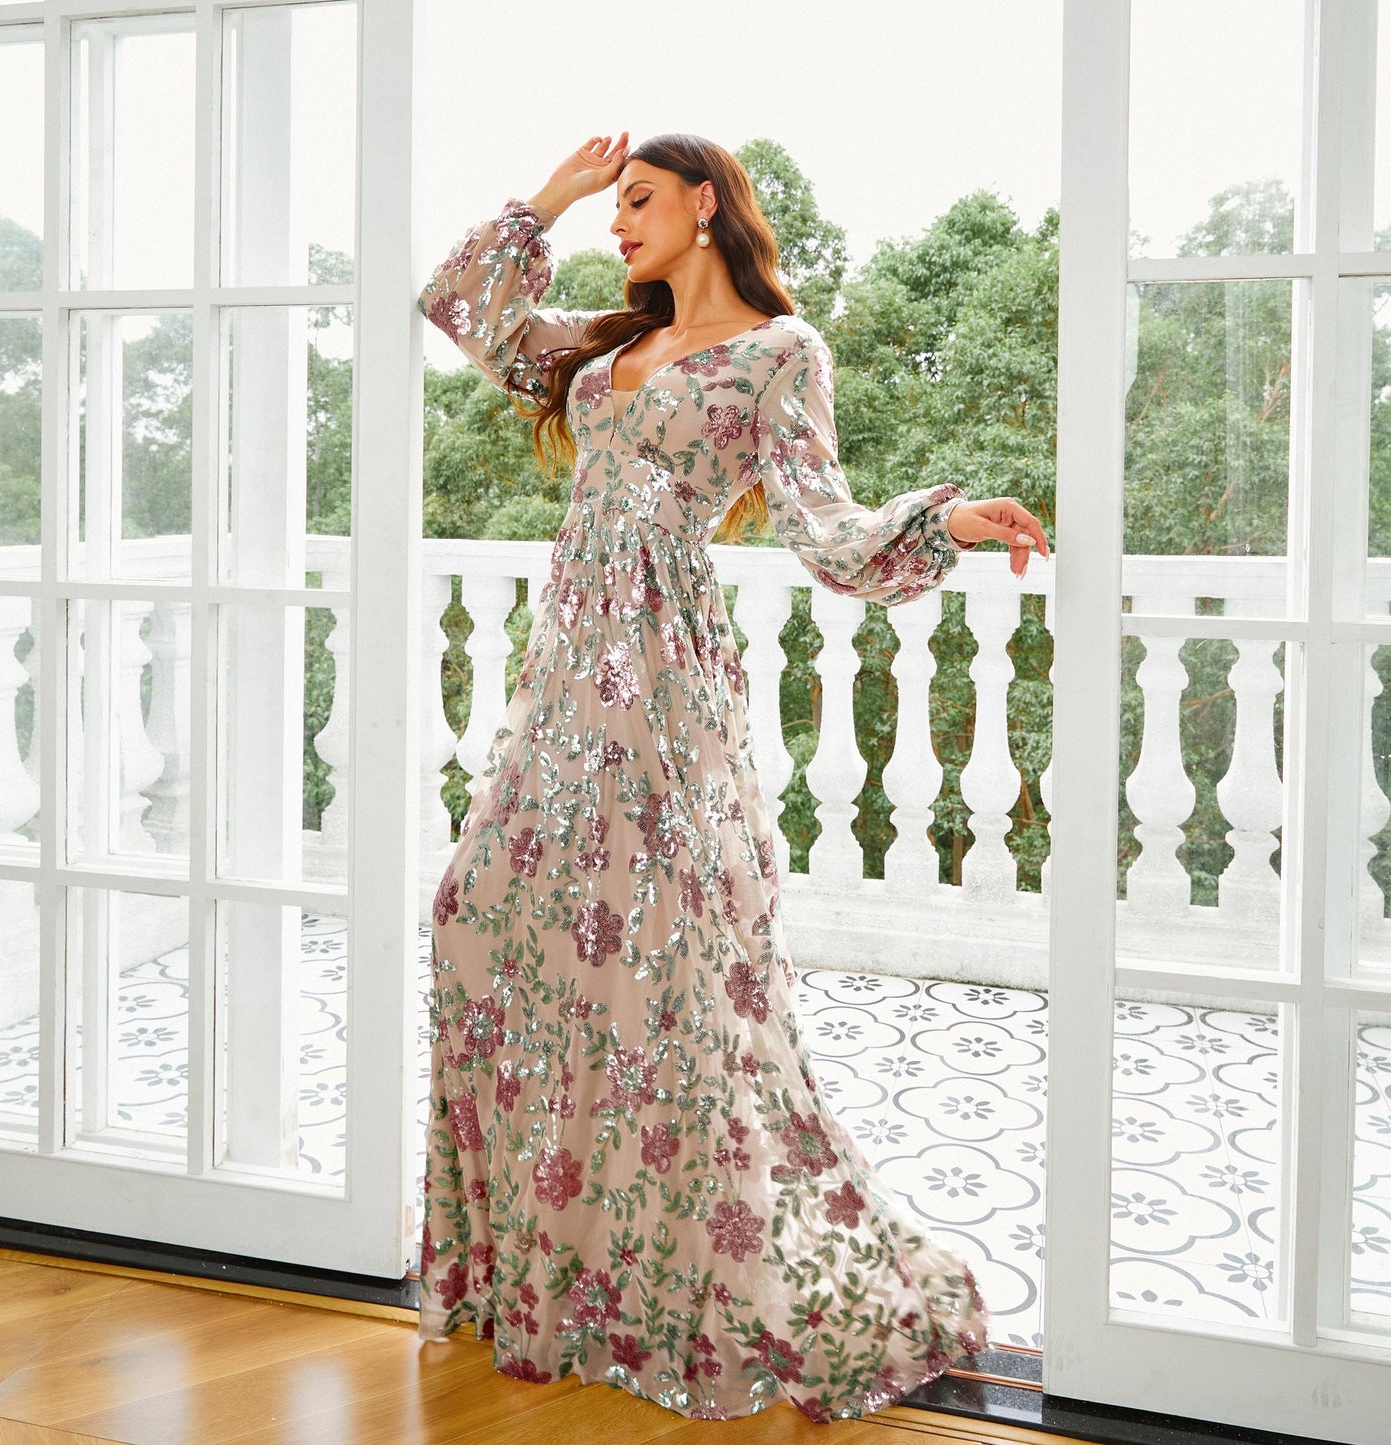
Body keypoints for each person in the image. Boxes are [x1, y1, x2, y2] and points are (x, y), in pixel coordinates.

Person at [415, 131, 1048, 1423]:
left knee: (672, 964)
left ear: (707, 206)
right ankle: (556, 1268)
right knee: (478, 919)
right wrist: (553, 197)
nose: (620, 223)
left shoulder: (778, 353)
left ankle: (682, 1279)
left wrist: (947, 522)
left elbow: (824, 524)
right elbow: (455, 308)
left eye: (640, 201)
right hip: (563, 676)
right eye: (615, 206)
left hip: (660, 674)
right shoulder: (596, 344)